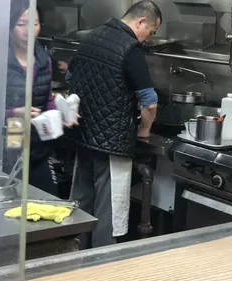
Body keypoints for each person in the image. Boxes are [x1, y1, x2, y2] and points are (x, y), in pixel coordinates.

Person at [67, 0, 161, 248]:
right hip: (112, 142)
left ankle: (73, 257)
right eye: (149, 32)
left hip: (83, 135)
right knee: (108, 208)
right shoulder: (131, 49)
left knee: (81, 202)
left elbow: (70, 76)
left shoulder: (92, 36)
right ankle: (101, 267)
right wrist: (144, 131)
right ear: (141, 22)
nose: (146, 39)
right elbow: (150, 102)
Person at [3, 0, 59, 196]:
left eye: (34, 24)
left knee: (50, 200)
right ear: (9, 26)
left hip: (37, 147)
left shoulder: (43, 60)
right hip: (5, 146)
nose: (29, 31)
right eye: (21, 24)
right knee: (8, 202)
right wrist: (14, 113)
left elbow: (47, 97)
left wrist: (57, 114)